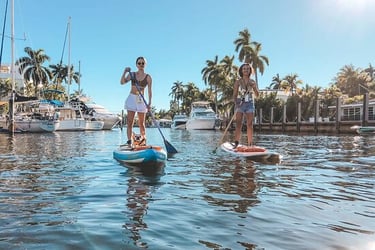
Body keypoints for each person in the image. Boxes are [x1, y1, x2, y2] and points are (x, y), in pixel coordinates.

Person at [120, 56, 152, 147]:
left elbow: (150, 91)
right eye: (139, 63)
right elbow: (122, 82)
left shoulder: (148, 77)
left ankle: (143, 141)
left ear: (145, 64)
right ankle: (129, 142)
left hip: (141, 100)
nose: (141, 64)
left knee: (142, 123)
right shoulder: (132, 74)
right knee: (130, 122)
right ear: (136, 65)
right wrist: (125, 72)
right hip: (131, 99)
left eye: (143, 63)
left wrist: (149, 103)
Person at [232, 63, 259, 148]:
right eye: (244, 68)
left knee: (250, 124)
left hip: (249, 103)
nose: (246, 70)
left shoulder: (252, 82)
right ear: (241, 70)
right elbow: (234, 95)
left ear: (250, 70)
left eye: (247, 68)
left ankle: (250, 143)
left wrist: (254, 87)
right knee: (239, 123)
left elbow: (257, 95)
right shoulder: (238, 82)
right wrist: (237, 103)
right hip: (240, 103)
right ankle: (236, 142)